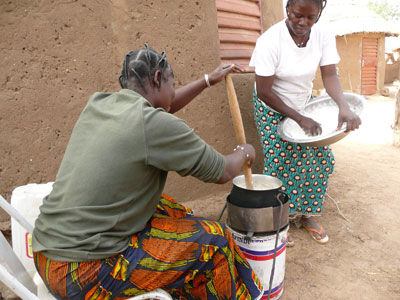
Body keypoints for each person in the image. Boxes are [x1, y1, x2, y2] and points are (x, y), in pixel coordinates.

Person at [32, 44, 264, 300]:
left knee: (170, 210)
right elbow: (222, 171)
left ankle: (183, 284)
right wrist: (245, 152)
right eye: (172, 84)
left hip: (46, 255)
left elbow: (163, 105)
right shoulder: (153, 124)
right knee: (216, 242)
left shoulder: (100, 104)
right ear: (157, 79)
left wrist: (208, 80)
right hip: (83, 273)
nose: (173, 91)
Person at [249, 0, 361, 246]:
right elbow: (265, 91)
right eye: (298, 15)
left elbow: (329, 74)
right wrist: (299, 119)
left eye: (311, 17)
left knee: (317, 159)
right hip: (272, 107)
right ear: (287, 9)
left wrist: (344, 106)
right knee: (280, 160)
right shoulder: (270, 41)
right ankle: (279, 220)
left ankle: (306, 215)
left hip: (303, 103)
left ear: (319, 14)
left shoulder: (322, 35)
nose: (303, 23)